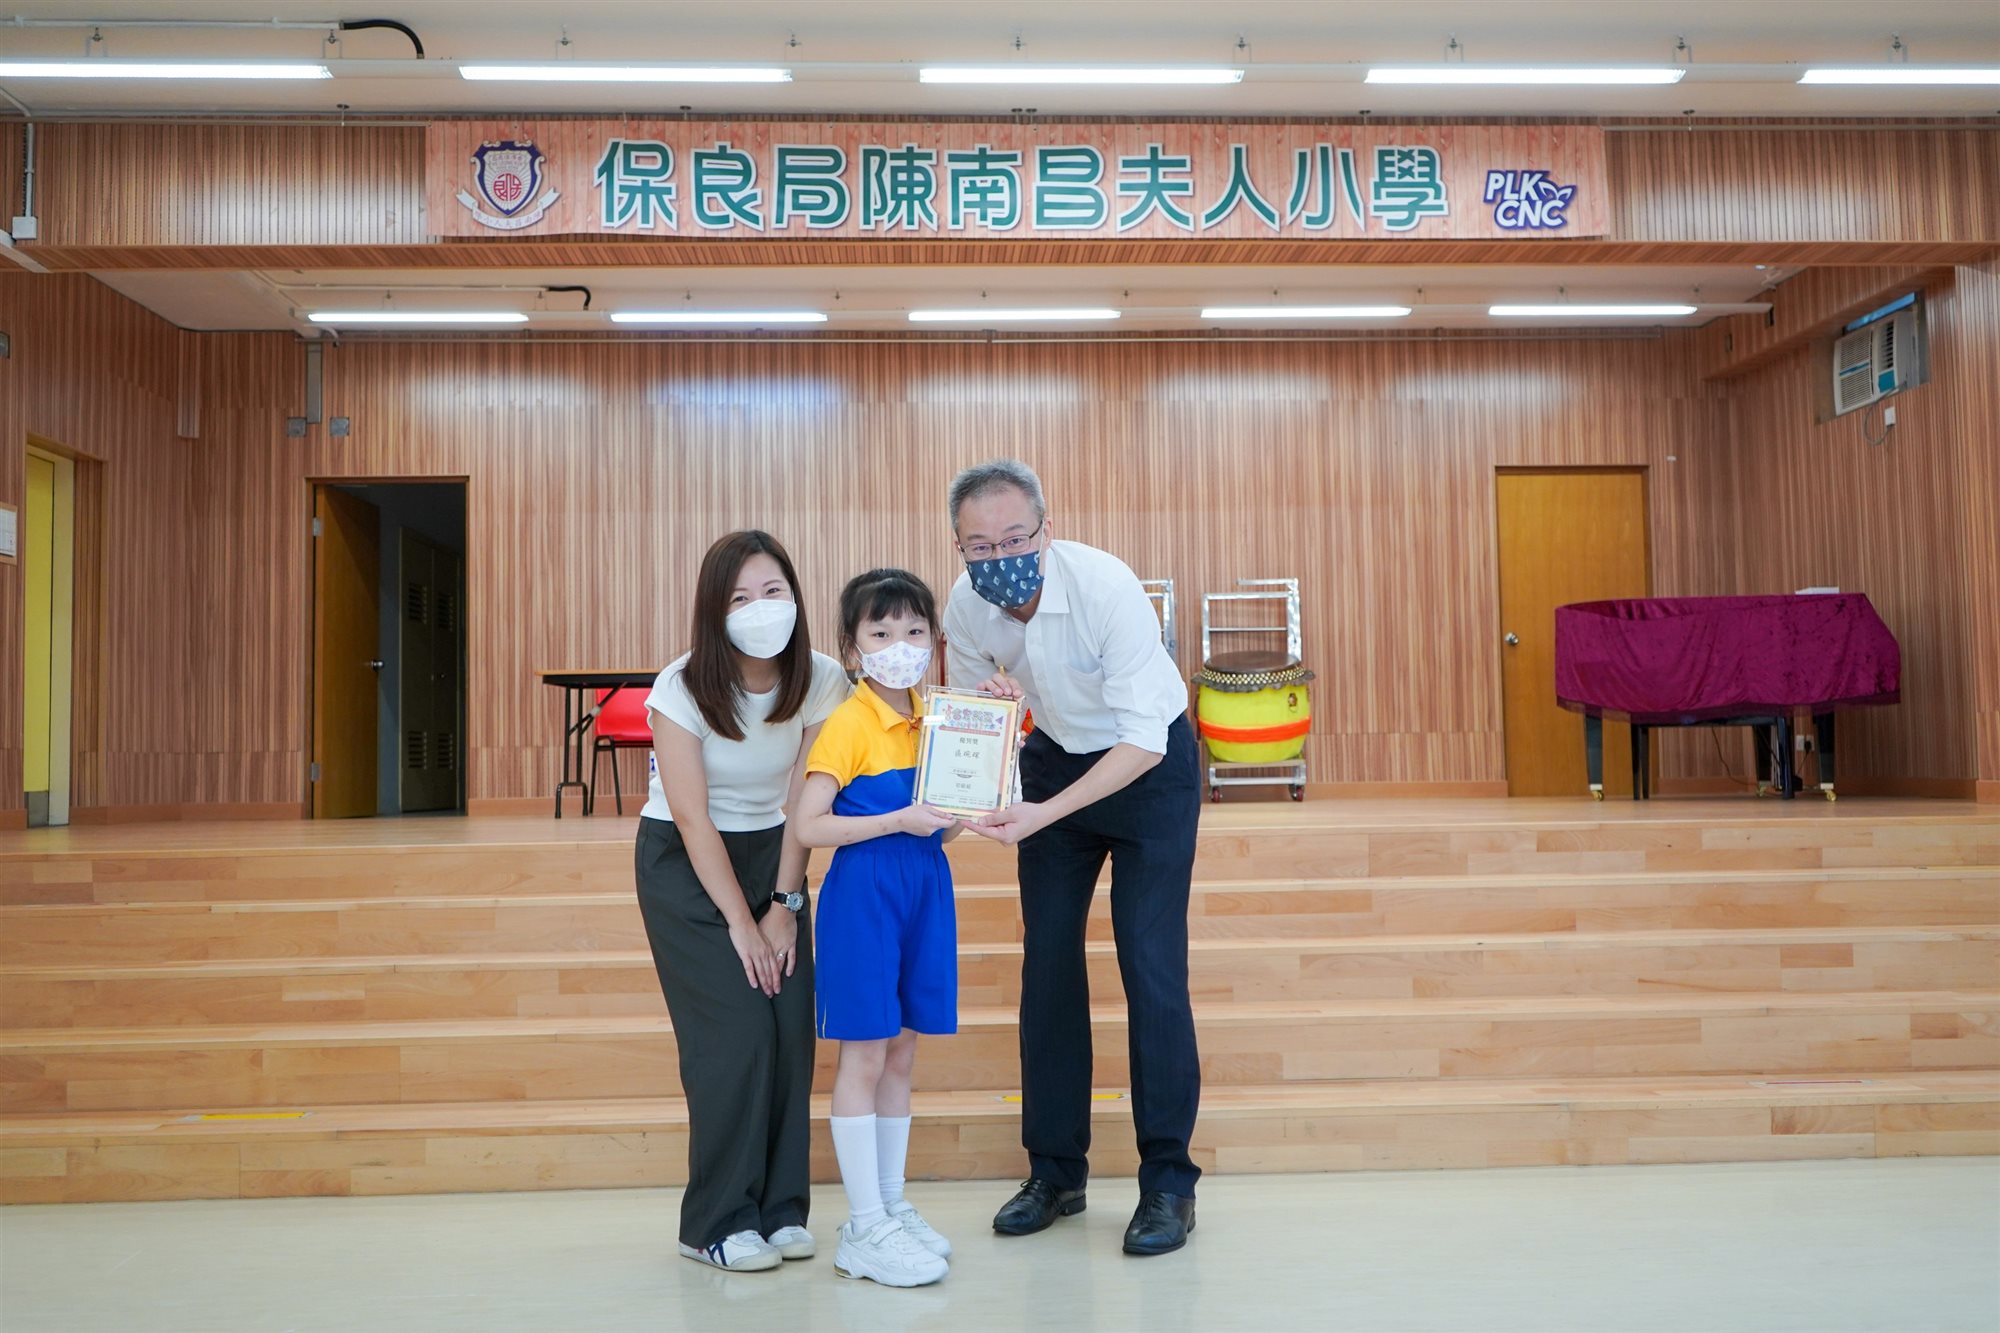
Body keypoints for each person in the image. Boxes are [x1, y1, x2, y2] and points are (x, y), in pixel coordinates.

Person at [946, 459, 1204, 1257]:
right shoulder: (965, 605)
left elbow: (1143, 740)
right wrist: (978, 790)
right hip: (1054, 761)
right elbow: (971, 727)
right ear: (960, 547)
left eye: (1014, 538)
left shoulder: (1105, 587)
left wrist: (1041, 814)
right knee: (1048, 966)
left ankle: (1168, 1182)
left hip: (1147, 766)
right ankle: (1056, 1172)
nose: (999, 555)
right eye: (980, 544)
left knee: (1150, 964)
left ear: (1045, 530)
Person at [634, 530, 849, 1272]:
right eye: (740, 597)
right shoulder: (681, 686)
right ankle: (714, 1221)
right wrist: (741, 923)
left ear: (796, 596)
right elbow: (692, 818)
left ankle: (781, 1209)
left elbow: (803, 799)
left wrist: (784, 903)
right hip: (687, 864)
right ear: (713, 610)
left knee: (788, 1032)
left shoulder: (821, 679)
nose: (761, 608)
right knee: (735, 1036)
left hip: (778, 854)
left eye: (773, 591)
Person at [794, 569, 962, 1288]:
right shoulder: (848, 723)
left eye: (915, 630)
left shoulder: (939, 717)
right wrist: (897, 820)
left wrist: (966, 806)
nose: (901, 645)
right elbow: (808, 825)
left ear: (935, 639)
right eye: (882, 632)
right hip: (864, 894)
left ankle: (891, 1205)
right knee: (863, 1054)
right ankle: (864, 1226)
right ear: (852, 647)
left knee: (902, 1050)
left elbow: (941, 828)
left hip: (925, 886)